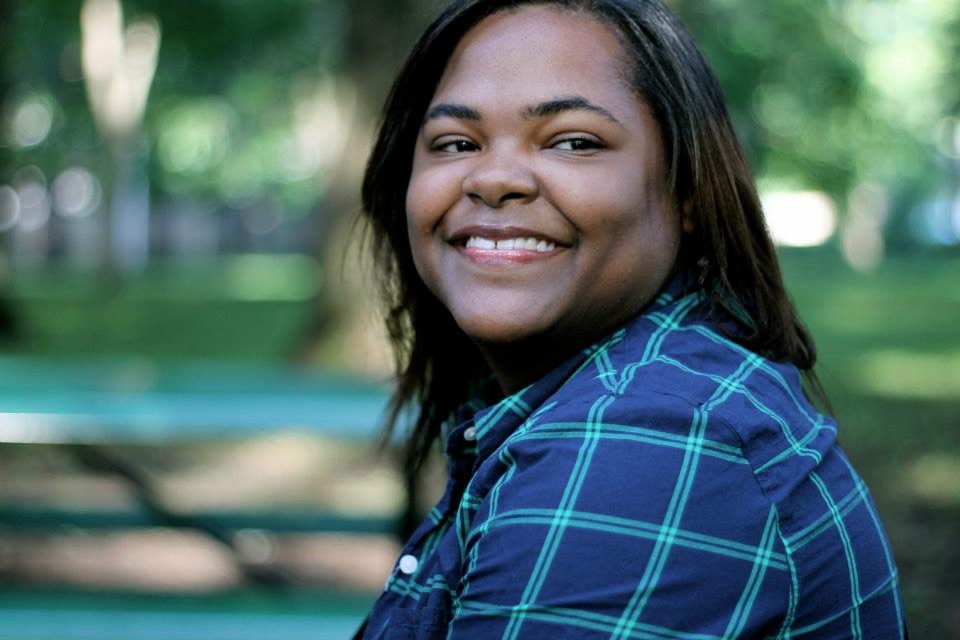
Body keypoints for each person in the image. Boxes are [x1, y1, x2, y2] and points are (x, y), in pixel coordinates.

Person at [356, 0, 907, 637]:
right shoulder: (606, 398)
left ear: (689, 191)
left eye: (574, 141)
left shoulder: (651, 442)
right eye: (456, 143)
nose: (494, 178)